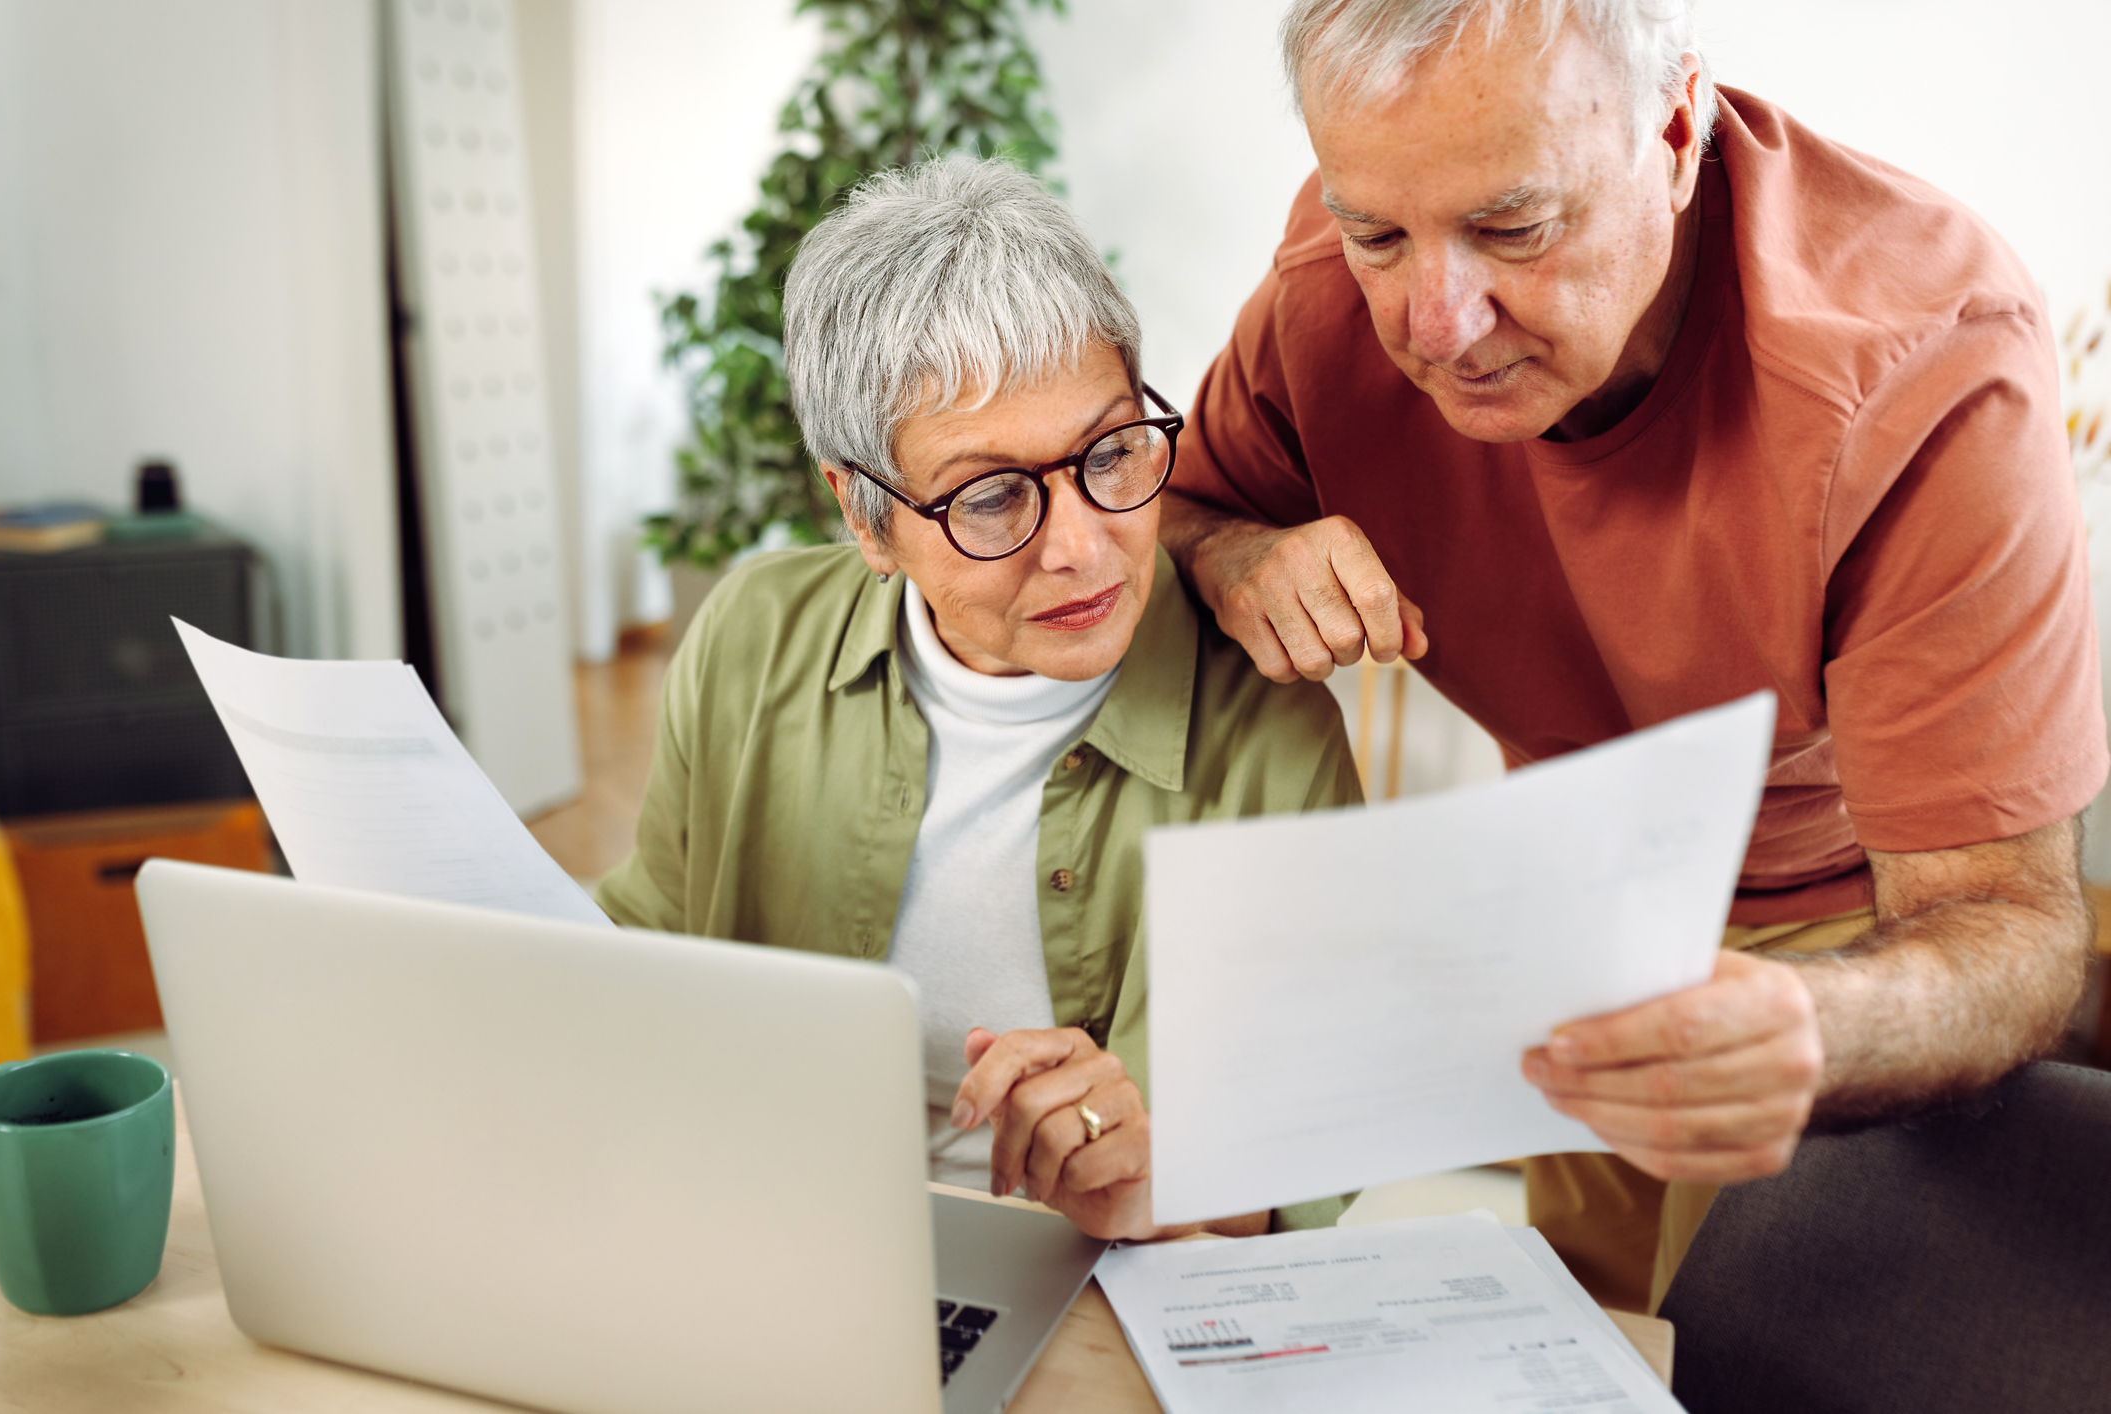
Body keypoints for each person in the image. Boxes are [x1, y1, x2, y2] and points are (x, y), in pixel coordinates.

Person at [1161, 0, 2105, 1311]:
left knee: (1754, 1351)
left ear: (1672, 133)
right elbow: (1170, 506)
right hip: (1570, 894)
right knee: (1576, 1341)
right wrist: (1230, 553)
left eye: (1514, 228)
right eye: (1377, 231)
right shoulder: (1326, 292)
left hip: (1857, 932)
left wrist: (1819, 1028)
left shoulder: (1925, 354)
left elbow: (2017, 929)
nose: (1436, 322)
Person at [597, 158, 1361, 1241]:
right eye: (992, 495)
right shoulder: (752, 636)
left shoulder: (1266, 726)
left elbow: (1274, 1174)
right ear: (863, 516)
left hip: (1096, 1282)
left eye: (1109, 451)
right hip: (765, 1234)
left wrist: (1154, 1181)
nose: (1082, 548)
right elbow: (649, 937)